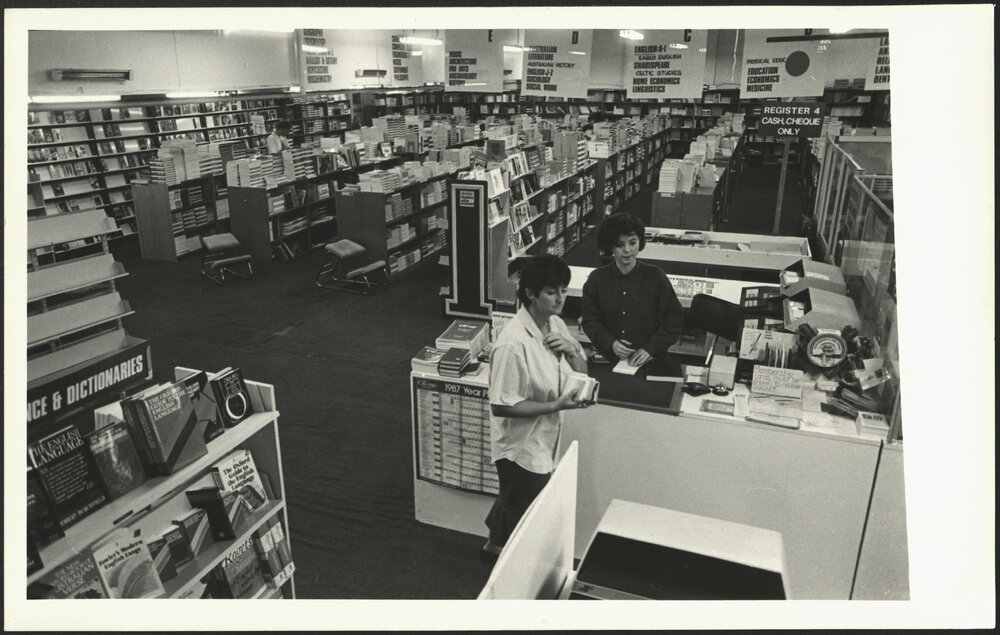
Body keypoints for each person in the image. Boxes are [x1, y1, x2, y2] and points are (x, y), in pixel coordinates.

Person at [483, 255, 591, 562]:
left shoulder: (554, 323)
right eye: (551, 292)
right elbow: (502, 406)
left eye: (564, 291)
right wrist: (556, 404)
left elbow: (581, 370)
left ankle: (491, 550)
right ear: (531, 293)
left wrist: (573, 350)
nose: (560, 299)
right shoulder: (512, 344)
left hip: (546, 438)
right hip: (522, 448)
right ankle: (506, 568)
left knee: (515, 499)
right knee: (528, 518)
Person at [581, 213, 684, 367]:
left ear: (640, 242)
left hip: (649, 359)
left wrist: (649, 349)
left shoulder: (656, 277)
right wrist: (611, 343)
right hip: (609, 357)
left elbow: (675, 317)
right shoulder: (596, 279)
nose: (627, 250)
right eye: (620, 244)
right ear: (610, 246)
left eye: (632, 242)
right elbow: (589, 320)